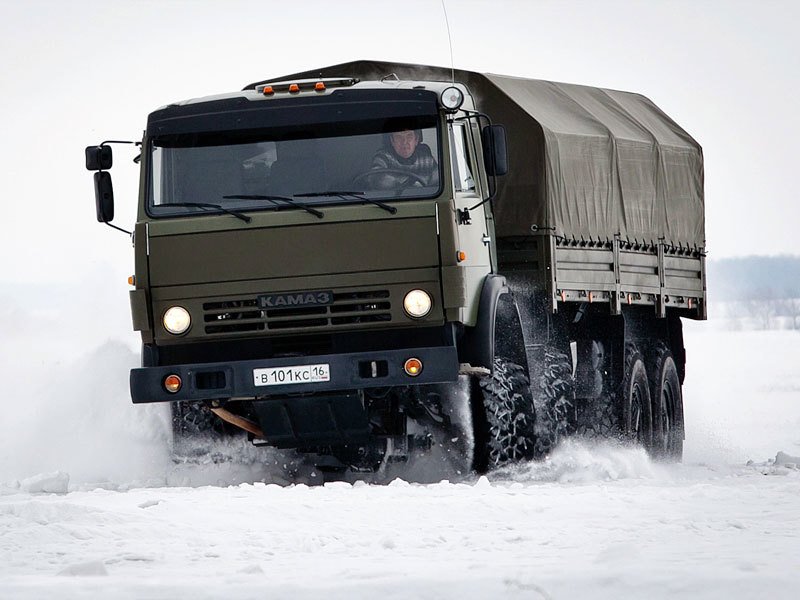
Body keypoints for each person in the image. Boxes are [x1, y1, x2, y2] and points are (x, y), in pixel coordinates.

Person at [368, 129, 439, 189]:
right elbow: (376, 179)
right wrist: (407, 188)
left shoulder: (428, 160)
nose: (404, 142)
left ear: (416, 140)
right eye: (399, 137)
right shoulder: (383, 157)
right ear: (392, 141)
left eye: (409, 136)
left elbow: (437, 185)